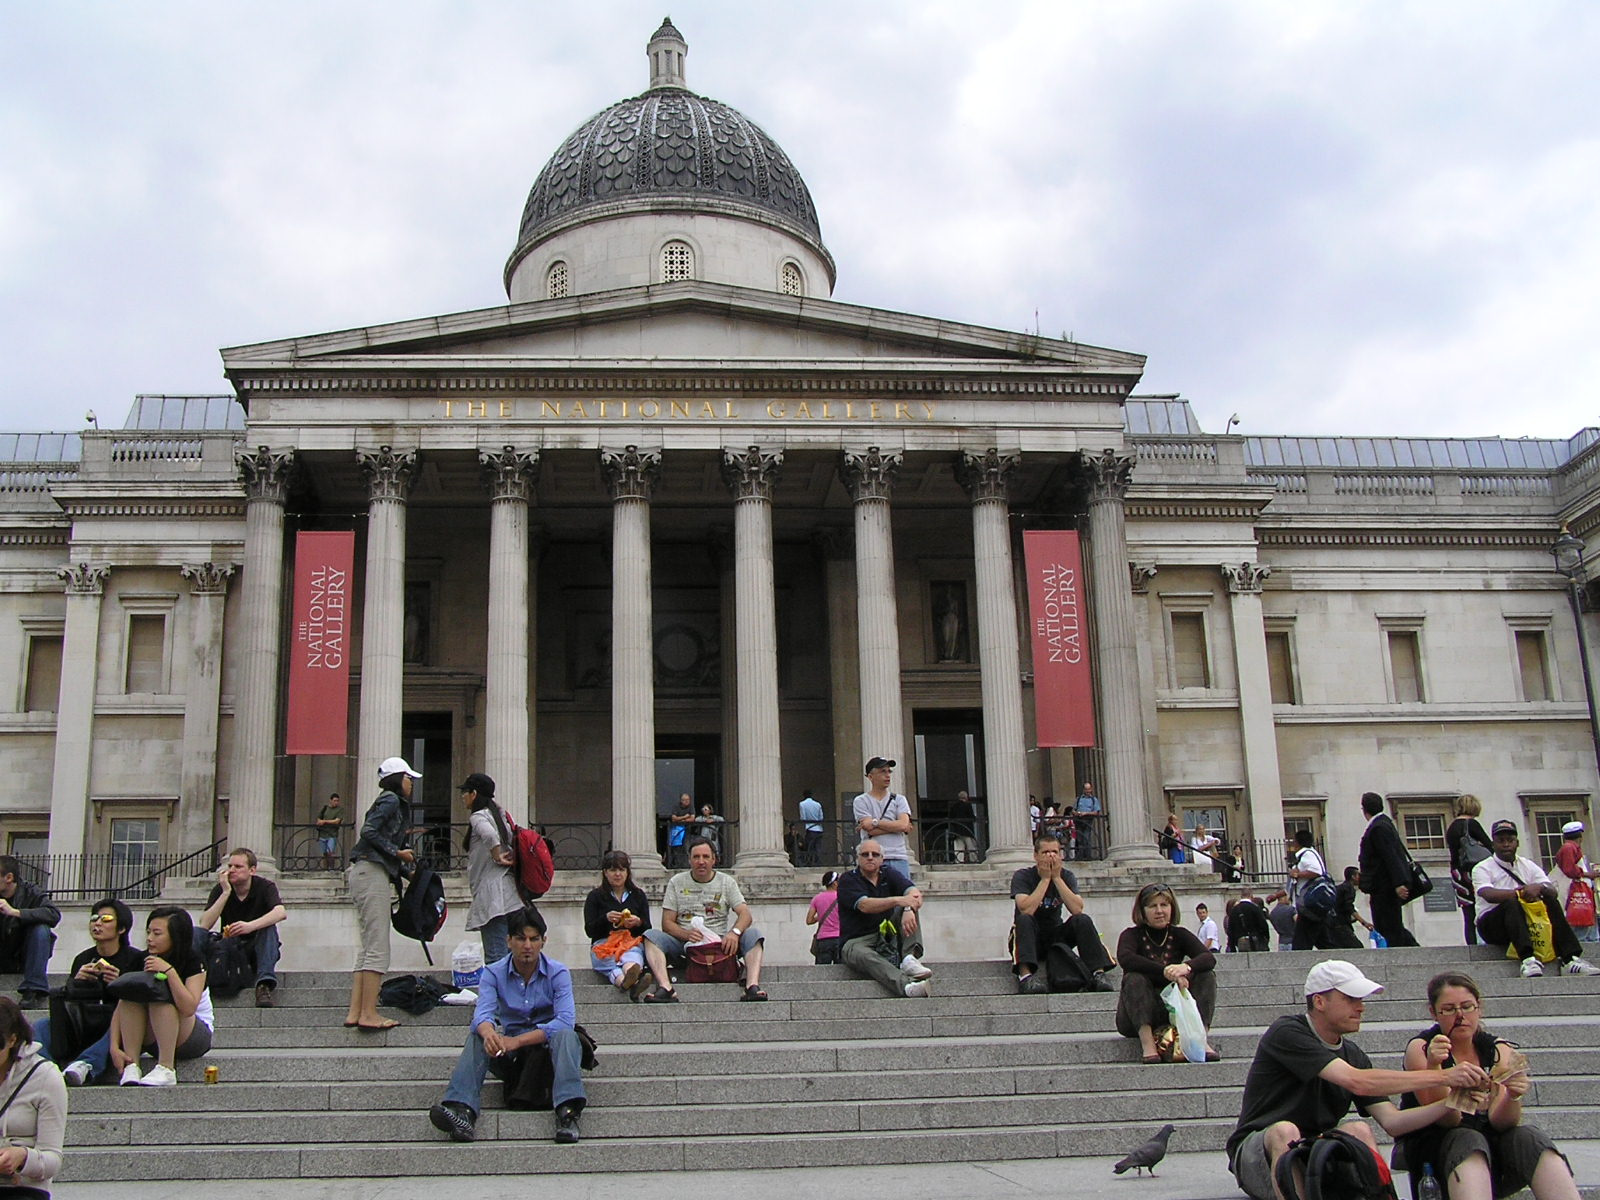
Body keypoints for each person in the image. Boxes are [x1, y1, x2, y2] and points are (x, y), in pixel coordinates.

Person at [1226, 959, 1492, 1200]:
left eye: (1361, 999)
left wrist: (1453, 1102)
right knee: (1284, 1130)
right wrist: (1443, 1075)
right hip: (1259, 1154)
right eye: (1351, 998)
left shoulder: (1353, 1054)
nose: (1361, 1007)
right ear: (1319, 1002)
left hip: (1315, 1153)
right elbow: (1357, 1081)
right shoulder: (1286, 1032)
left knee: (1359, 1130)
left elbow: (1394, 1122)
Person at [1394, 970, 1581, 1200]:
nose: (1460, 1016)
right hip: (1437, 1149)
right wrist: (1436, 1068)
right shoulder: (1422, 1049)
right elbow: (1446, 1120)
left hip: (1490, 1148)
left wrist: (1513, 1095)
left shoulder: (1497, 1049)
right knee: (1467, 1138)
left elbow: (1502, 1122)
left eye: (1467, 1006)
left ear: (1479, 1007)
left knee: (1529, 1136)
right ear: (1434, 1013)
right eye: (1450, 1009)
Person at [427, 905, 586, 1145]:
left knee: (566, 1034)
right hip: (511, 1056)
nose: (527, 946)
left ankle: (568, 1114)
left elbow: (565, 1019)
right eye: (521, 939)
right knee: (478, 1037)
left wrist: (518, 1041)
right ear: (508, 941)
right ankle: (462, 1111)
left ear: (544, 941)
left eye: (534, 939)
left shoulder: (558, 972)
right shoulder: (492, 973)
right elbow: (482, 1015)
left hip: (547, 1052)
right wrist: (490, 1033)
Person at [641, 838, 768, 1002]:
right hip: (686, 945)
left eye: (706, 857)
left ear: (714, 859)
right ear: (689, 860)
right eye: (696, 857)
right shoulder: (676, 882)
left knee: (753, 934)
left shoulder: (726, 882)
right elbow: (667, 923)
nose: (701, 862)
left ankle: (752, 986)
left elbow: (745, 914)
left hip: (721, 943)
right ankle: (666, 987)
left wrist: (734, 933)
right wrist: (686, 935)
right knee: (651, 936)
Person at [345, 755, 419, 1031]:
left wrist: (402, 869)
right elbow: (369, 832)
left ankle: (356, 1011)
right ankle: (369, 1013)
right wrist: (397, 852)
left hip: (368, 871)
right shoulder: (390, 800)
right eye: (408, 777)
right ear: (397, 779)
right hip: (371, 872)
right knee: (377, 945)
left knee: (367, 945)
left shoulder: (388, 801)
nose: (411, 783)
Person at [36, 898, 144, 1087]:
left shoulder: (135, 959)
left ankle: (85, 1065)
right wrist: (77, 982)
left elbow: (139, 1002)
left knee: (122, 1023)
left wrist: (121, 983)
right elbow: (69, 1002)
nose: (98, 924)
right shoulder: (83, 958)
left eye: (106, 919)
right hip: (85, 1020)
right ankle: (45, 1070)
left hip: (117, 1024)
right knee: (41, 1026)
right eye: (94, 919)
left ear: (122, 928)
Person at [1472, 820, 1599, 977]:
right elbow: (1487, 894)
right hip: (1492, 926)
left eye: (1510, 840)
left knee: (1549, 899)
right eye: (1501, 841)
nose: (1506, 845)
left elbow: (1552, 891)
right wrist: (1522, 892)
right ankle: (1527, 959)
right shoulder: (1482, 868)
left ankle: (1570, 959)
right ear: (1493, 844)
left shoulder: (1527, 865)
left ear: (1517, 843)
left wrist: (1540, 888)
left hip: (1527, 923)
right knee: (1512, 902)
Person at [108, 906, 213, 1088]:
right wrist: (114, 1046)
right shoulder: (140, 959)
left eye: (157, 934)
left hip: (192, 1034)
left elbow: (189, 1008)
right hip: (153, 1033)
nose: (150, 939)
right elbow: (121, 1006)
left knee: (160, 998)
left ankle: (166, 1067)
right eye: (148, 932)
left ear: (176, 935)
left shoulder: (193, 960)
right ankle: (132, 1065)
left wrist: (169, 972)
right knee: (131, 996)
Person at [1115, 883, 1219, 1063]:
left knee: (1206, 975)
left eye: (1164, 905)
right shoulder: (1131, 935)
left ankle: (1200, 1039)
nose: (1159, 911)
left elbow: (1208, 958)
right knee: (1134, 978)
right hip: (1138, 1012)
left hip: (1176, 1010)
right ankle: (1148, 1044)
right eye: (1152, 906)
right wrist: (1165, 971)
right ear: (1142, 910)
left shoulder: (1180, 934)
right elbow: (1126, 958)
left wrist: (1185, 968)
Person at [1010, 832, 1115, 994]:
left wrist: (1057, 878)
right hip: (1029, 935)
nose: (1050, 856)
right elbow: (1026, 908)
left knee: (1082, 920)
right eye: (1045, 852)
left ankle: (1098, 973)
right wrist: (1045, 880)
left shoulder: (1067, 876)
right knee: (1024, 919)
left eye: (1055, 852)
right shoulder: (1023, 876)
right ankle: (1025, 976)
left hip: (1056, 935)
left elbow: (1077, 908)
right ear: (1036, 856)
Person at [836, 840, 932, 998]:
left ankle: (909, 958)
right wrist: (898, 900)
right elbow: (865, 905)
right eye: (865, 854)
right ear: (858, 858)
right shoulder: (848, 880)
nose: (870, 858)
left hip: (884, 935)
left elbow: (914, 894)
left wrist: (908, 907)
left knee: (909, 905)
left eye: (875, 854)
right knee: (866, 956)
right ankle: (907, 986)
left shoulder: (889, 873)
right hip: (855, 941)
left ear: (882, 859)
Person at [198, 847, 286, 1008]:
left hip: (257, 948)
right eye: (230, 866)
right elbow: (204, 924)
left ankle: (264, 984)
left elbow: (280, 912)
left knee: (268, 928)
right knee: (199, 935)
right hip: (231, 947)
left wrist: (250, 926)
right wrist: (225, 893)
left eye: (238, 867)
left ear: (252, 870)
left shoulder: (265, 887)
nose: (232, 870)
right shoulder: (221, 889)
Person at [0, 996, 66, 1197]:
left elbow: (52, 1160)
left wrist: (23, 1157)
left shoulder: (45, 1076)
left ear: (12, 1039)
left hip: (23, 1188)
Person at [458, 773, 523, 967]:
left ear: (474, 793)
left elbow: (489, 835)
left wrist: (496, 853)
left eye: (465, 792)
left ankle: (501, 997)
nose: (462, 796)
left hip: (493, 896)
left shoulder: (478, 817)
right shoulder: (500, 815)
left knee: (496, 958)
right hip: (511, 893)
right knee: (509, 957)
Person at [582, 851, 652, 998]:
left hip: (630, 943)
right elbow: (589, 929)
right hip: (604, 944)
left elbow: (647, 928)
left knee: (632, 956)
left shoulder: (638, 895)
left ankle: (629, 976)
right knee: (607, 962)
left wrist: (638, 922)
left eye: (621, 870)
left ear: (627, 873)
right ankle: (629, 984)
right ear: (605, 873)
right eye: (613, 870)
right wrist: (605, 919)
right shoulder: (595, 896)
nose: (617, 874)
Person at [1357, 790, 1420, 947]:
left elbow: (1391, 856)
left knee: (1389, 925)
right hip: (1383, 886)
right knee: (1390, 924)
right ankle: (1412, 950)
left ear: (1364, 809)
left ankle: (1403, 954)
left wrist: (1399, 883)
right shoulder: (1383, 824)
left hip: (1384, 886)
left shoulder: (1379, 827)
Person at [0, 856, 61, 1010]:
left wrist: (16, 912)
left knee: (41, 928)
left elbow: (53, 914)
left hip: (22, 956)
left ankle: (33, 989)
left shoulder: (31, 891)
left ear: (9, 877)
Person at [853, 757, 913, 879]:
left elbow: (902, 825)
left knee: (902, 895)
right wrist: (897, 826)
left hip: (898, 857)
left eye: (889, 771)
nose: (887, 775)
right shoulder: (860, 801)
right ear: (870, 777)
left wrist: (874, 822)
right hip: (872, 858)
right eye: (882, 771)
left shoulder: (899, 799)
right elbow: (870, 829)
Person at [1447, 793, 1494, 946]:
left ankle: (1471, 946)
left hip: (1458, 874)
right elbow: (1490, 845)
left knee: (1468, 914)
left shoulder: (1452, 826)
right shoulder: (1472, 824)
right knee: (1483, 908)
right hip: (1474, 872)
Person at [1287, 830, 1336, 951]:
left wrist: (1297, 874)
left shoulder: (1307, 854)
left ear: (1297, 843)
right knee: (1323, 941)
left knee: (1300, 942)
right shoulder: (1310, 854)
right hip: (1313, 904)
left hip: (1309, 903)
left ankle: (1298, 963)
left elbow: (1316, 871)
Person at [1554, 820, 1599, 944]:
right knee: (1582, 931)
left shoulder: (1569, 847)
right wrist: (1588, 874)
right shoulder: (1569, 848)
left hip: (1580, 894)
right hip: (1575, 894)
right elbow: (1569, 869)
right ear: (1580, 836)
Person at [806, 871, 842, 965]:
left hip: (823, 940)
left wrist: (820, 917)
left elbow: (809, 920)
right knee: (841, 971)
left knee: (822, 970)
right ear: (835, 883)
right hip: (839, 938)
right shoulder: (842, 897)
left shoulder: (817, 898)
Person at [1333, 866, 1373, 948]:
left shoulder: (1340, 888)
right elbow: (1349, 907)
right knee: (1357, 947)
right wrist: (1364, 922)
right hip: (1341, 924)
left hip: (1333, 923)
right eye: (1358, 875)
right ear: (1353, 877)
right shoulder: (1349, 888)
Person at [1072, 782, 1101, 860]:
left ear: (1091, 789)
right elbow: (1073, 810)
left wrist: (1086, 813)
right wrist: (1076, 813)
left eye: (1089, 789)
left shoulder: (1094, 800)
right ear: (1084, 790)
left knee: (1086, 837)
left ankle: (1087, 855)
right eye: (1086, 789)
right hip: (1079, 820)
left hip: (1088, 820)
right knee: (1079, 838)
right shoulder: (1078, 799)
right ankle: (1079, 856)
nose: (1088, 791)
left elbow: (1096, 812)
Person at [315, 792, 344, 869]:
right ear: (330, 801)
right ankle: (325, 868)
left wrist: (325, 821)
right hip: (323, 834)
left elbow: (337, 821)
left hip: (332, 834)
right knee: (324, 853)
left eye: (337, 801)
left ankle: (331, 869)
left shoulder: (340, 810)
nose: (336, 802)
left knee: (330, 852)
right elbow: (318, 819)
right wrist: (320, 822)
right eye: (334, 801)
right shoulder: (325, 808)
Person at [950, 790, 981, 864]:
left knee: (959, 847)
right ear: (966, 798)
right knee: (971, 847)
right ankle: (973, 860)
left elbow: (951, 818)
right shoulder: (967, 805)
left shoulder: (954, 806)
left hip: (957, 831)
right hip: (967, 830)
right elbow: (972, 817)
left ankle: (959, 861)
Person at [666, 793, 695, 868]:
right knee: (676, 847)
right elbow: (673, 818)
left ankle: (687, 864)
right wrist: (685, 817)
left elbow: (692, 818)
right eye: (685, 800)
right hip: (676, 830)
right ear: (681, 800)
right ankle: (676, 864)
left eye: (688, 800)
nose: (687, 801)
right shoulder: (676, 807)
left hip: (687, 831)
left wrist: (680, 819)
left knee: (687, 848)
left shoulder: (691, 807)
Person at [798, 790, 825, 867]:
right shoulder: (817, 804)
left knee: (810, 847)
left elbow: (803, 817)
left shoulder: (802, 804)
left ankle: (810, 862)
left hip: (810, 828)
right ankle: (817, 862)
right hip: (819, 829)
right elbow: (821, 817)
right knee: (817, 847)